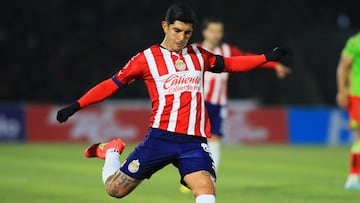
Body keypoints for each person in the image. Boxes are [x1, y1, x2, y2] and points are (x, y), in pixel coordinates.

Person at [56, 4, 290, 203]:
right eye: (177, 30)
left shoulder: (200, 55)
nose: (181, 38)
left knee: (206, 191)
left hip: (193, 142)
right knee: (115, 190)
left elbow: (231, 64)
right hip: (160, 138)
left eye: (187, 33)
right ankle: (111, 152)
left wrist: (266, 58)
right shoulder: (145, 59)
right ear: (165, 26)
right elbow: (111, 84)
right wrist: (77, 105)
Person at [200, 17, 291, 173]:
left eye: (219, 31)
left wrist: (274, 64)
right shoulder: (195, 51)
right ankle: (191, 174)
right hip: (198, 103)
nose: (216, 34)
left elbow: (247, 59)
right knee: (194, 141)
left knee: (215, 141)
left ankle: (210, 177)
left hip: (218, 104)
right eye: (213, 31)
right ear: (204, 32)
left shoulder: (227, 50)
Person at [337, 32, 360, 190]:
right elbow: (343, 67)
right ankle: (353, 177)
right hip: (357, 94)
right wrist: (342, 92)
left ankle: (353, 176)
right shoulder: (356, 42)